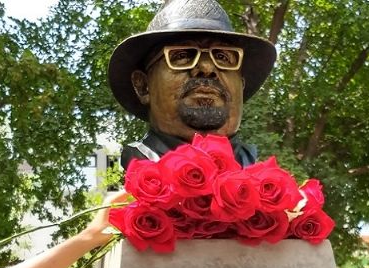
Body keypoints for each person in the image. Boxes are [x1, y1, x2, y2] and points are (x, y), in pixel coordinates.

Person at [107, 0, 277, 168]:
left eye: (222, 57)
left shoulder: (259, 172)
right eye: (182, 55)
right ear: (143, 86)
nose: (207, 67)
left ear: (241, 86)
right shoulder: (139, 166)